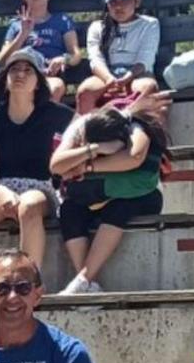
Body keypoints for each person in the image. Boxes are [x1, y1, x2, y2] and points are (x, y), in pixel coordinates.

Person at [0, 49, 73, 271]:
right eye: (14, 69)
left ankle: (28, 281)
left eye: (28, 70)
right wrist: (2, 192)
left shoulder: (58, 115)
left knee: (29, 205)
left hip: (42, 190)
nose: (20, 74)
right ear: (5, 80)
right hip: (4, 189)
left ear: (38, 81)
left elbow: (84, 129)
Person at [49, 103, 169, 295]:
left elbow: (134, 157)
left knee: (119, 206)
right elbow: (56, 165)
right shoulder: (81, 126)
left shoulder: (135, 126)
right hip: (97, 195)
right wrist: (93, 149)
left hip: (139, 195)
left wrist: (88, 167)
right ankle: (88, 283)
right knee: (69, 210)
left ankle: (82, 280)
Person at [76, 0, 161, 116]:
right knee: (85, 91)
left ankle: (151, 132)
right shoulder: (97, 27)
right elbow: (95, 59)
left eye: (124, 0)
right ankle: (85, 132)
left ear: (137, 1)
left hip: (137, 74)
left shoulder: (149, 25)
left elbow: (146, 58)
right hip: (106, 75)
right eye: (113, 1)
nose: (118, 6)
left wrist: (126, 78)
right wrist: (109, 79)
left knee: (148, 87)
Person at [0, 0, 84, 103]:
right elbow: (2, 60)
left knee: (54, 88)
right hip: (22, 75)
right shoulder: (16, 25)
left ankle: (44, 121)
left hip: (49, 75)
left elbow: (76, 54)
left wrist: (64, 59)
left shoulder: (62, 21)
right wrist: (23, 34)